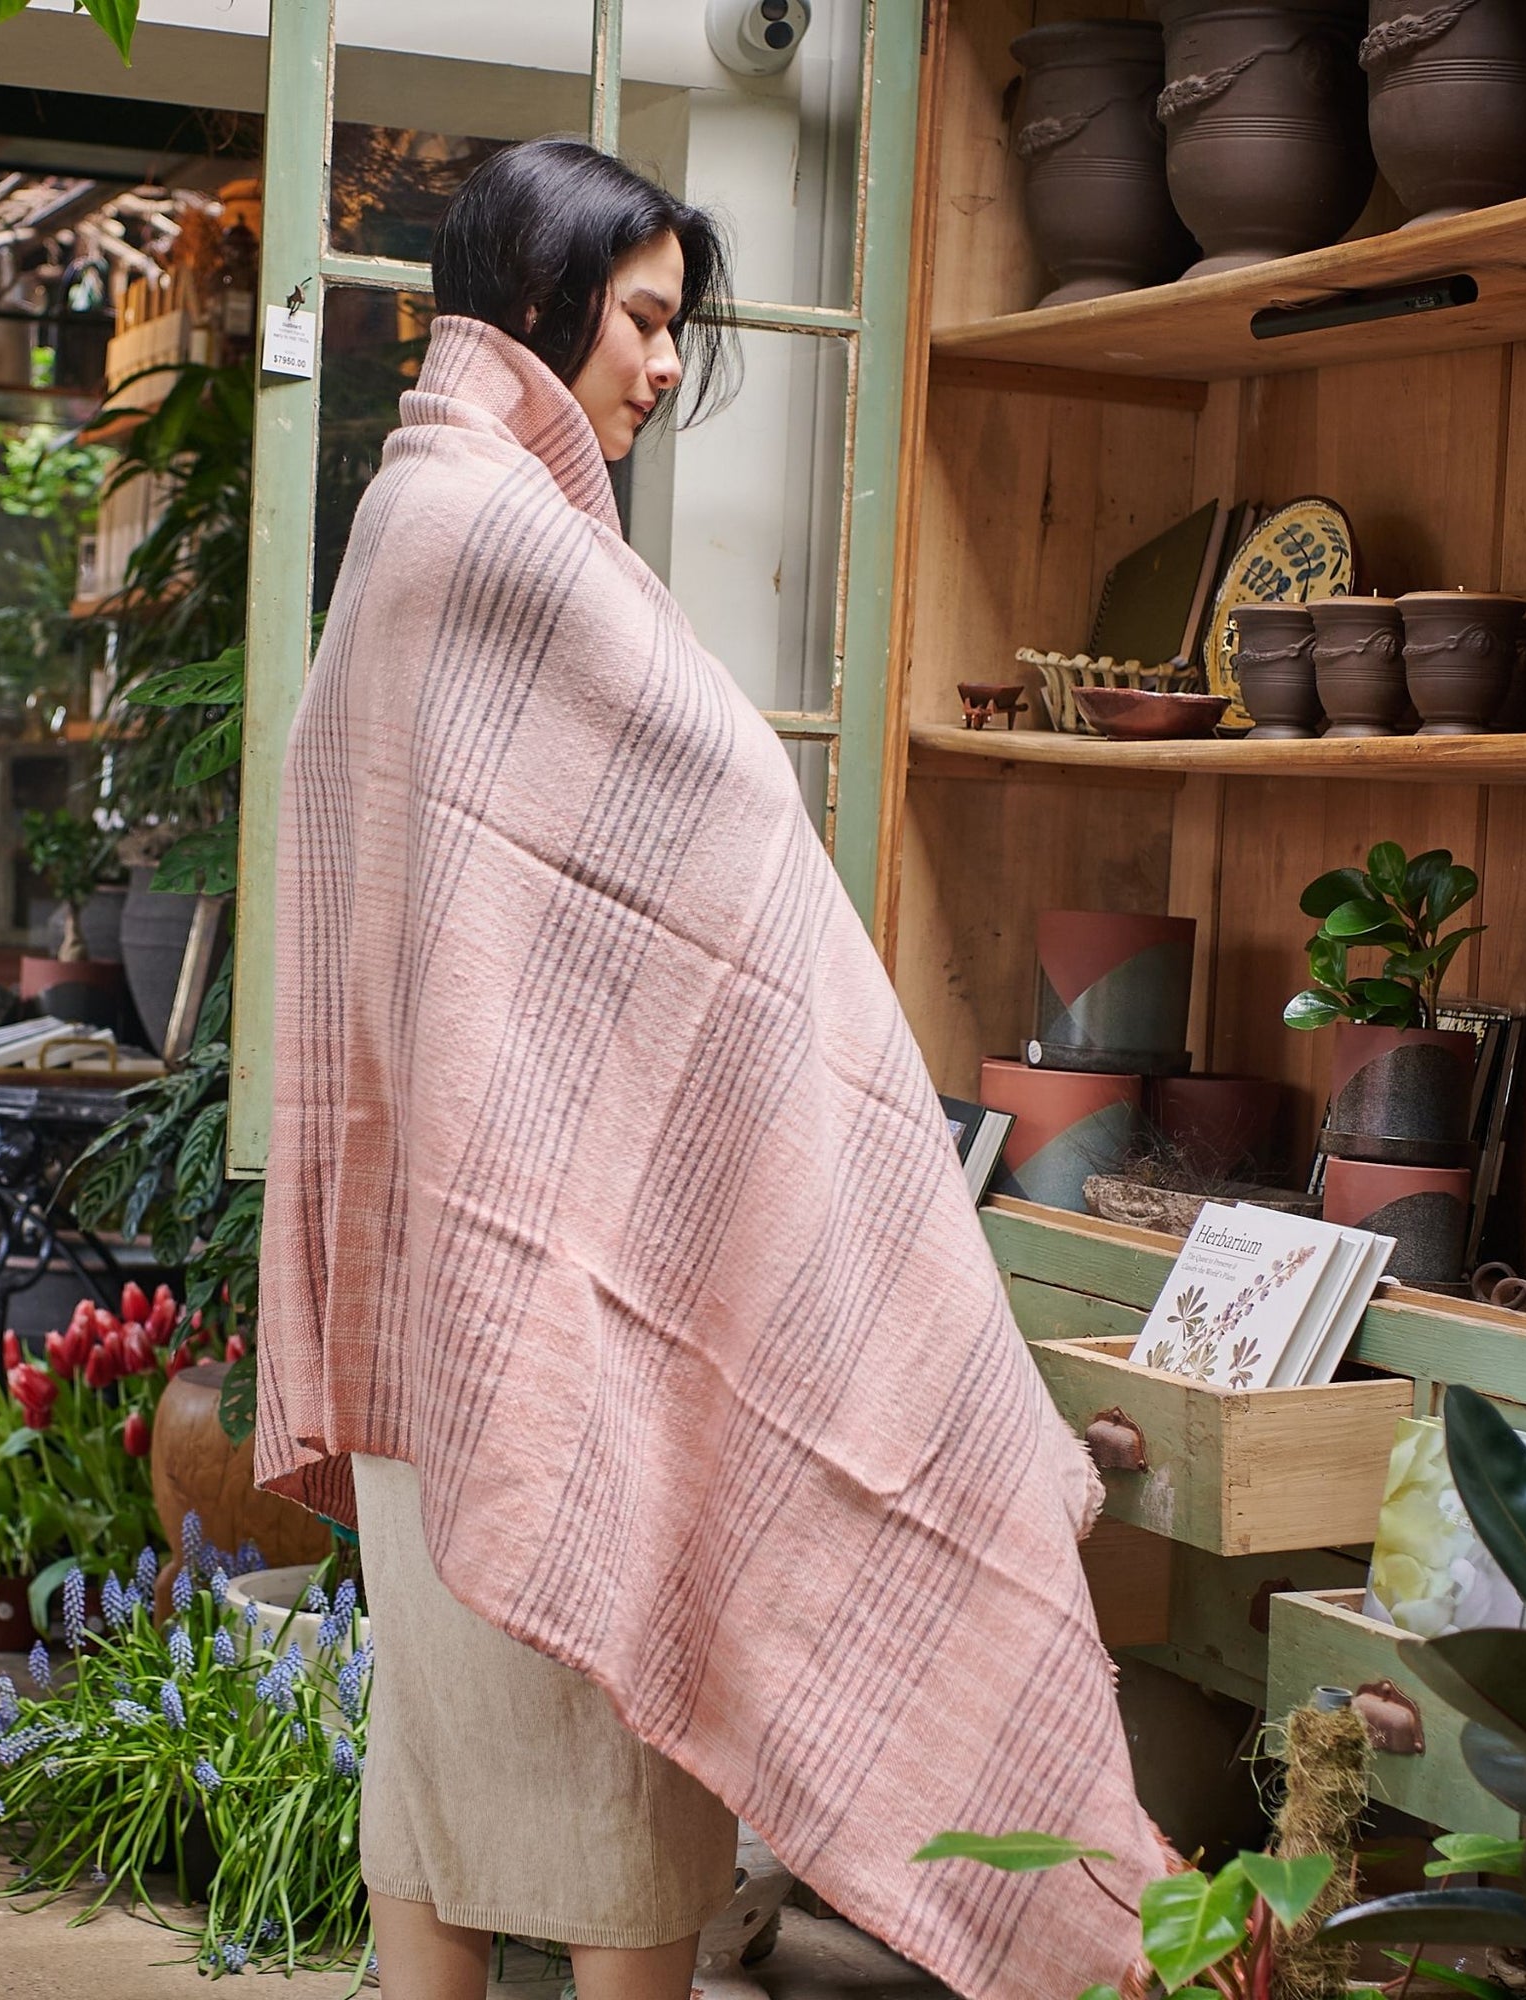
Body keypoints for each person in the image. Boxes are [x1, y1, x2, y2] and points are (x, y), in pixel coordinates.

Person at [255, 139, 1164, 2000]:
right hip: (544, 1338)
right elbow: (725, 837)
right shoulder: (500, 539)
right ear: (540, 297)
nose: (667, 367)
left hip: (433, 1304)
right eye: (645, 319)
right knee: (613, 1782)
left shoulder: (408, 513)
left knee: (435, 1773)